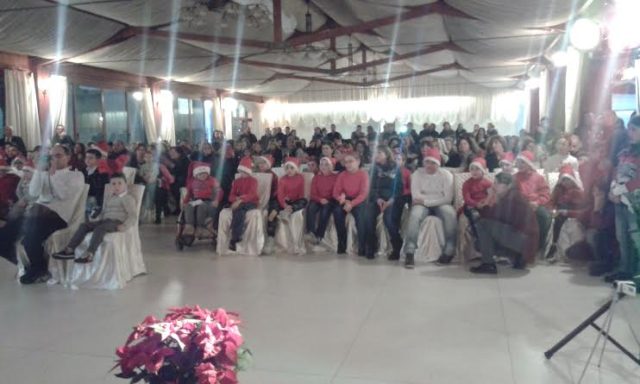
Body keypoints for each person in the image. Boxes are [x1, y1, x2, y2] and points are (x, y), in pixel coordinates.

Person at [0, 145, 84, 284]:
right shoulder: (45, 173)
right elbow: (33, 192)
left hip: (58, 216)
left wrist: (53, 174)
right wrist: (40, 172)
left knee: (30, 238)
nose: (54, 159)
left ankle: (39, 269)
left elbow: (62, 195)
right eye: (51, 156)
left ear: (68, 157)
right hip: (36, 213)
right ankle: (21, 263)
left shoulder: (76, 175)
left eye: (58, 156)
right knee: (4, 235)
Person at [52, 173, 136, 263]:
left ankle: (90, 254)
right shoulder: (111, 198)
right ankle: (69, 250)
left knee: (100, 229)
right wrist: (96, 218)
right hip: (105, 221)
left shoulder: (127, 199)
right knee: (84, 225)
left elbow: (133, 215)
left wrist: (125, 225)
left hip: (117, 222)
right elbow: (104, 212)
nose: (117, 186)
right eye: (113, 184)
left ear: (125, 185)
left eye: (120, 183)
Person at [470, 172, 539, 274]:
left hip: (525, 242)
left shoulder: (512, 197)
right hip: (525, 241)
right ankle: (518, 257)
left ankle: (488, 264)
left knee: (482, 224)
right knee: (481, 239)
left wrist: (487, 199)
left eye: (497, 183)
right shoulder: (512, 195)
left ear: (509, 185)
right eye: (494, 182)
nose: (494, 186)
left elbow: (492, 215)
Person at [404, 148, 456, 269]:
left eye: (433, 163)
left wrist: (426, 200)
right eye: (427, 162)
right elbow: (416, 196)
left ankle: (449, 250)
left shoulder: (446, 175)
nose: (429, 165)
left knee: (450, 213)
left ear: (438, 164)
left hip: (438, 203)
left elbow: (448, 198)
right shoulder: (417, 174)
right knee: (415, 214)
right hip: (426, 203)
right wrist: (435, 198)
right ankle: (410, 251)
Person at [606, 116, 640, 283]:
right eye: (629, 129)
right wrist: (614, 188)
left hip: (636, 203)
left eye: (634, 129)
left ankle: (637, 274)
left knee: (636, 238)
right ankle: (625, 269)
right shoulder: (625, 151)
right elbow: (617, 172)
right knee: (622, 236)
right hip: (621, 200)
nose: (630, 132)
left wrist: (623, 189)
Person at [364, 146, 403, 259]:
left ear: (387, 154)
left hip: (392, 199)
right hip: (377, 198)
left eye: (379, 152)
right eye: (375, 153)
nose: (376, 155)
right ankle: (371, 245)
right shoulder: (373, 169)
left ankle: (397, 246)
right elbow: (371, 188)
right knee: (368, 215)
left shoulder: (395, 167)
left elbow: (399, 188)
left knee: (388, 219)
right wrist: (377, 199)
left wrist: (391, 200)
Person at [264, 157, 307, 254]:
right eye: (287, 168)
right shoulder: (282, 179)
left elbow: (300, 194)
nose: (289, 170)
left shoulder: (300, 178)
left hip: (295, 201)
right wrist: (284, 204)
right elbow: (280, 194)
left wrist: (291, 204)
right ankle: (270, 239)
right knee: (273, 212)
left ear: (296, 169)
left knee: (303, 201)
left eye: (292, 168)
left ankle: (291, 209)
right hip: (282, 201)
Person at [545, 165, 587, 261]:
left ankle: (558, 248)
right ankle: (554, 246)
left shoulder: (578, 193)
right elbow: (551, 203)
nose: (565, 183)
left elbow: (583, 211)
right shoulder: (558, 190)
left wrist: (568, 212)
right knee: (555, 221)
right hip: (559, 214)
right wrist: (553, 210)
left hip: (573, 217)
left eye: (567, 180)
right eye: (563, 180)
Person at [332, 153, 369, 255]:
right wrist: (343, 200)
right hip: (346, 200)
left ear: (358, 162)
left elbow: (363, 194)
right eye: (346, 162)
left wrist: (351, 204)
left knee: (360, 217)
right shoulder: (342, 175)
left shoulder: (363, 174)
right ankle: (342, 244)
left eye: (351, 161)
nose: (348, 164)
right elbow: (335, 193)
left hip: (359, 200)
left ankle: (362, 246)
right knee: (337, 212)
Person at [514, 150, 552, 250]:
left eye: (523, 162)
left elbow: (546, 194)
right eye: (519, 162)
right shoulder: (514, 178)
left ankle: (539, 247)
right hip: (520, 206)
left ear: (529, 164)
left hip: (536, 205)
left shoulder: (538, 178)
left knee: (545, 216)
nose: (520, 165)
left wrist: (537, 202)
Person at [180, 163, 222, 245]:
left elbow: (219, 191)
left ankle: (200, 226)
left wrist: (216, 200)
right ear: (196, 175)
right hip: (196, 200)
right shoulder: (193, 182)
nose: (203, 175)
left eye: (204, 173)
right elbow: (189, 194)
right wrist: (185, 202)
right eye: (200, 174)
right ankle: (190, 226)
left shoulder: (212, 180)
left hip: (208, 201)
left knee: (201, 207)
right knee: (189, 206)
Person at [227, 157, 259, 251]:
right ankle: (236, 237)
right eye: (240, 171)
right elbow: (231, 195)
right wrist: (236, 199)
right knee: (239, 211)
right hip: (239, 203)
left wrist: (239, 200)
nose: (242, 173)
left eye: (244, 171)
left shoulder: (253, 181)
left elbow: (252, 195)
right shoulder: (236, 181)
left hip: (251, 202)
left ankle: (234, 237)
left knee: (238, 208)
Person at [461, 158, 493, 247]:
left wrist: (484, 203)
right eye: (472, 169)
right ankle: (478, 238)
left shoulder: (488, 183)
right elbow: (467, 199)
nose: (474, 171)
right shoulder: (467, 184)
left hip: (484, 205)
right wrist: (476, 204)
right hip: (470, 205)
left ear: (482, 170)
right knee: (475, 215)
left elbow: (491, 196)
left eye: (477, 169)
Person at [306, 157, 338, 245]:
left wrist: (327, 200)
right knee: (311, 207)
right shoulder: (316, 178)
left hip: (330, 200)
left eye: (326, 164)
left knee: (325, 211)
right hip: (318, 199)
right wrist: (320, 199)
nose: (323, 166)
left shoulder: (336, 177)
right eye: (322, 164)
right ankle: (311, 233)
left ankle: (320, 235)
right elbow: (312, 193)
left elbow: (336, 192)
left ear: (331, 166)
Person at [83, 149, 110, 219]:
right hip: (84, 195)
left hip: (95, 198)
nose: (87, 160)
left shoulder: (102, 173)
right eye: (86, 157)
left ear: (98, 160)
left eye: (91, 158)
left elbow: (98, 190)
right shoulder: (84, 171)